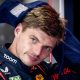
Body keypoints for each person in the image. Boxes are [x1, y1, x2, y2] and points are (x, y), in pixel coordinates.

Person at [0, 0, 65, 80]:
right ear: (18, 30)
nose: (37, 52)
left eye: (47, 48)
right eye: (34, 40)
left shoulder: (46, 69)